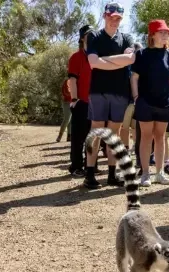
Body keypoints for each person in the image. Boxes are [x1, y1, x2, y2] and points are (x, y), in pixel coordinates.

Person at [84, 2, 136, 189]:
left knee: (114, 135)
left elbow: (131, 59)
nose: (115, 21)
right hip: (98, 92)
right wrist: (118, 62)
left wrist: (103, 61)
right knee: (96, 131)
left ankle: (112, 175)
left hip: (120, 93)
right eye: (112, 17)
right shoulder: (94, 36)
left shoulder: (127, 38)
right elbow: (92, 63)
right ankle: (90, 173)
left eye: (118, 18)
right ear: (105, 16)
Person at [131, 19, 169, 186]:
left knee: (160, 137)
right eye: (162, 32)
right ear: (152, 35)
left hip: (165, 103)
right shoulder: (142, 55)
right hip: (145, 102)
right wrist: (136, 97)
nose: (166, 35)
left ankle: (159, 173)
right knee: (146, 137)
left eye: (167, 32)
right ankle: (145, 174)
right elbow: (134, 78)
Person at [67, 25, 94, 177]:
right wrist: (75, 100)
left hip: (95, 102)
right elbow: (72, 80)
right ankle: (76, 166)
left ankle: (90, 165)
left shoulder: (96, 56)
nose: (91, 37)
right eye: (88, 35)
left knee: (92, 136)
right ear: (82, 37)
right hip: (81, 102)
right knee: (78, 137)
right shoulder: (76, 58)